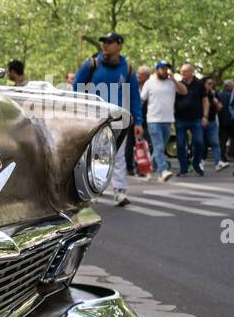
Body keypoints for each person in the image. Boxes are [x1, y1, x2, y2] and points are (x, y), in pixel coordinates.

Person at [73, 32, 141, 205]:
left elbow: (134, 96)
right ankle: (93, 190)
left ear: (119, 45)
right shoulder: (92, 64)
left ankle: (119, 191)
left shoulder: (128, 69)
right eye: (104, 42)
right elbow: (75, 88)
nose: (105, 45)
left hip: (119, 118)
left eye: (110, 42)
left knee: (118, 155)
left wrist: (138, 121)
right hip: (93, 118)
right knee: (92, 155)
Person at [141, 61, 180, 183]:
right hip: (153, 120)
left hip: (168, 120)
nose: (164, 70)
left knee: (160, 147)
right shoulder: (149, 83)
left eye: (166, 68)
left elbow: (184, 91)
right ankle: (163, 171)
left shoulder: (171, 83)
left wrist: (174, 79)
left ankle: (147, 169)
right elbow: (142, 99)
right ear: (157, 69)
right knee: (158, 146)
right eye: (162, 68)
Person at [172, 62, 208, 176]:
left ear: (191, 72)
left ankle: (196, 162)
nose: (182, 73)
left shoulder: (199, 84)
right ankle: (183, 167)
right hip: (180, 119)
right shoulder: (178, 84)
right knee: (180, 144)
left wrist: (205, 116)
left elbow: (205, 100)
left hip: (196, 119)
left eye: (184, 71)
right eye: (181, 71)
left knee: (199, 142)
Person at [128, 65, 152, 173]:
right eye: (138, 73)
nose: (139, 76)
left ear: (147, 76)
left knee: (144, 144)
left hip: (146, 119)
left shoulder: (150, 86)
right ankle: (129, 167)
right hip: (131, 118)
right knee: (129, 144)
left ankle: (142, 167)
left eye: (142, 74)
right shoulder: (132, 86)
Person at [201, 78, 226, 170]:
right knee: (201, 142)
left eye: (212, 84)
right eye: (209, 83)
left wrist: (217, 103)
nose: (211, 85)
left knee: (215, 142)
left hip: (212, 120)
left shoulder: (213, 94)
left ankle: (218, 162)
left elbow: (220, 107)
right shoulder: (199, 93)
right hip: (200, 121)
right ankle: (200, 161)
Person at [218, 78, 234, 160]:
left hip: (222, 121)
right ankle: (231, 152)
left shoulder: (219, 95)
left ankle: (222, 156)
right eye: (233, 86)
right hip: (233, 121)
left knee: (223, 140)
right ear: (229, 86)